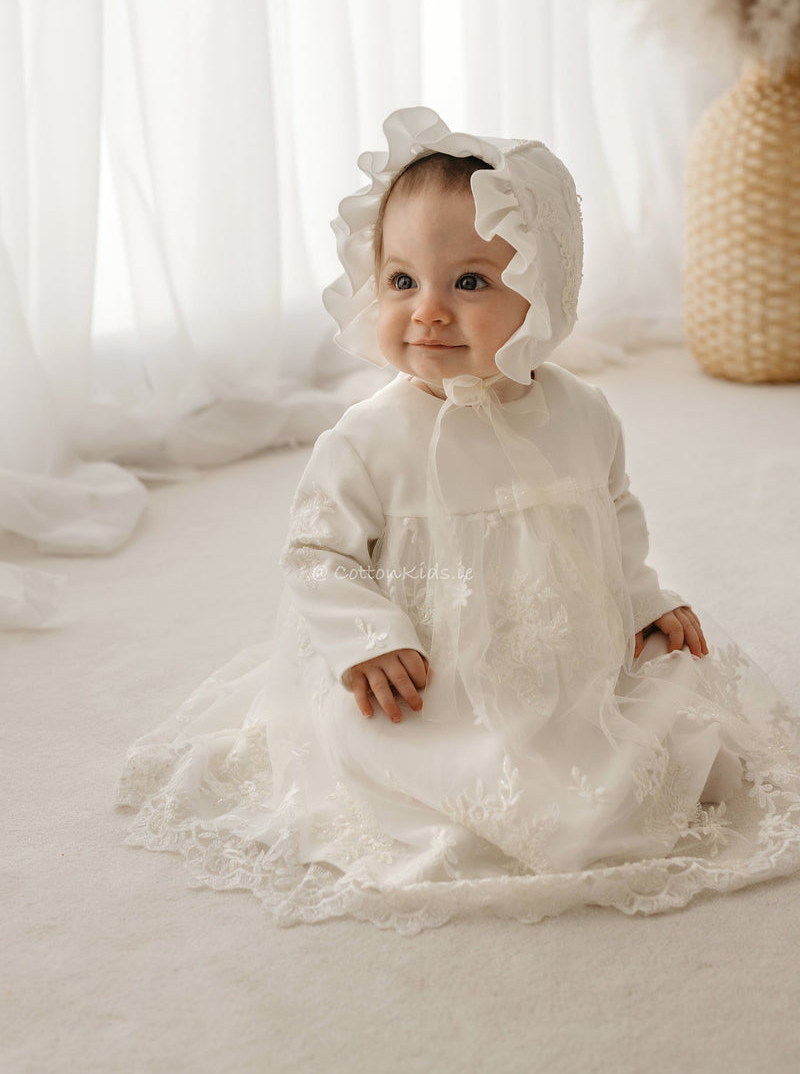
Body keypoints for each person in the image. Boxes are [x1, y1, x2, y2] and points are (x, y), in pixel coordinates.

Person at [119, 107, 800, 934]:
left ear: (545, 290)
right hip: (430, 669)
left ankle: (579, 758)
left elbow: (610, 514)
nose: (428, 311)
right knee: (394, 762)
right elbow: (316, 552)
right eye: (402, 281)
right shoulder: (368, 438)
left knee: (662, 729)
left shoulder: (582, 413)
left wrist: (641, 593)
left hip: (562, 662)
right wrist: (367, 637)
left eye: (469, 281)